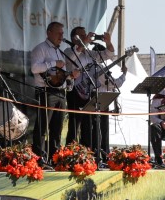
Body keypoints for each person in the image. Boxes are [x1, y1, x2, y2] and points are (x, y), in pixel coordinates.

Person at [30, 21, 79, 165]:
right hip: (46, 92)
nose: (61, 36)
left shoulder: (59, 51)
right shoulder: (41, 49)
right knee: (43, 127)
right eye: (59, 33)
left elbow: (59, 75)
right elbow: (34, 68)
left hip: (60, 93)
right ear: (49, 33)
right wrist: (53, 63)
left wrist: (70, 75)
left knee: (57, 129)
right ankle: (39, 158)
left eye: (63, 33)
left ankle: (54, 158)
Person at [65, 26, 115, 159]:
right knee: (75, 124)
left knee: (88, 124)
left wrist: (108, 42)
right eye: (81, 35)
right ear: (74, 38)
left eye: (85, 35)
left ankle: (86, 154)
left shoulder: (89, 53)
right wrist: (85, 42)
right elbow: (72, 58)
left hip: (89, 92)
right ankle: (69, 154)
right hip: (75, 91)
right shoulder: (69, 50)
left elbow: (109, 55)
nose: (85, 37)